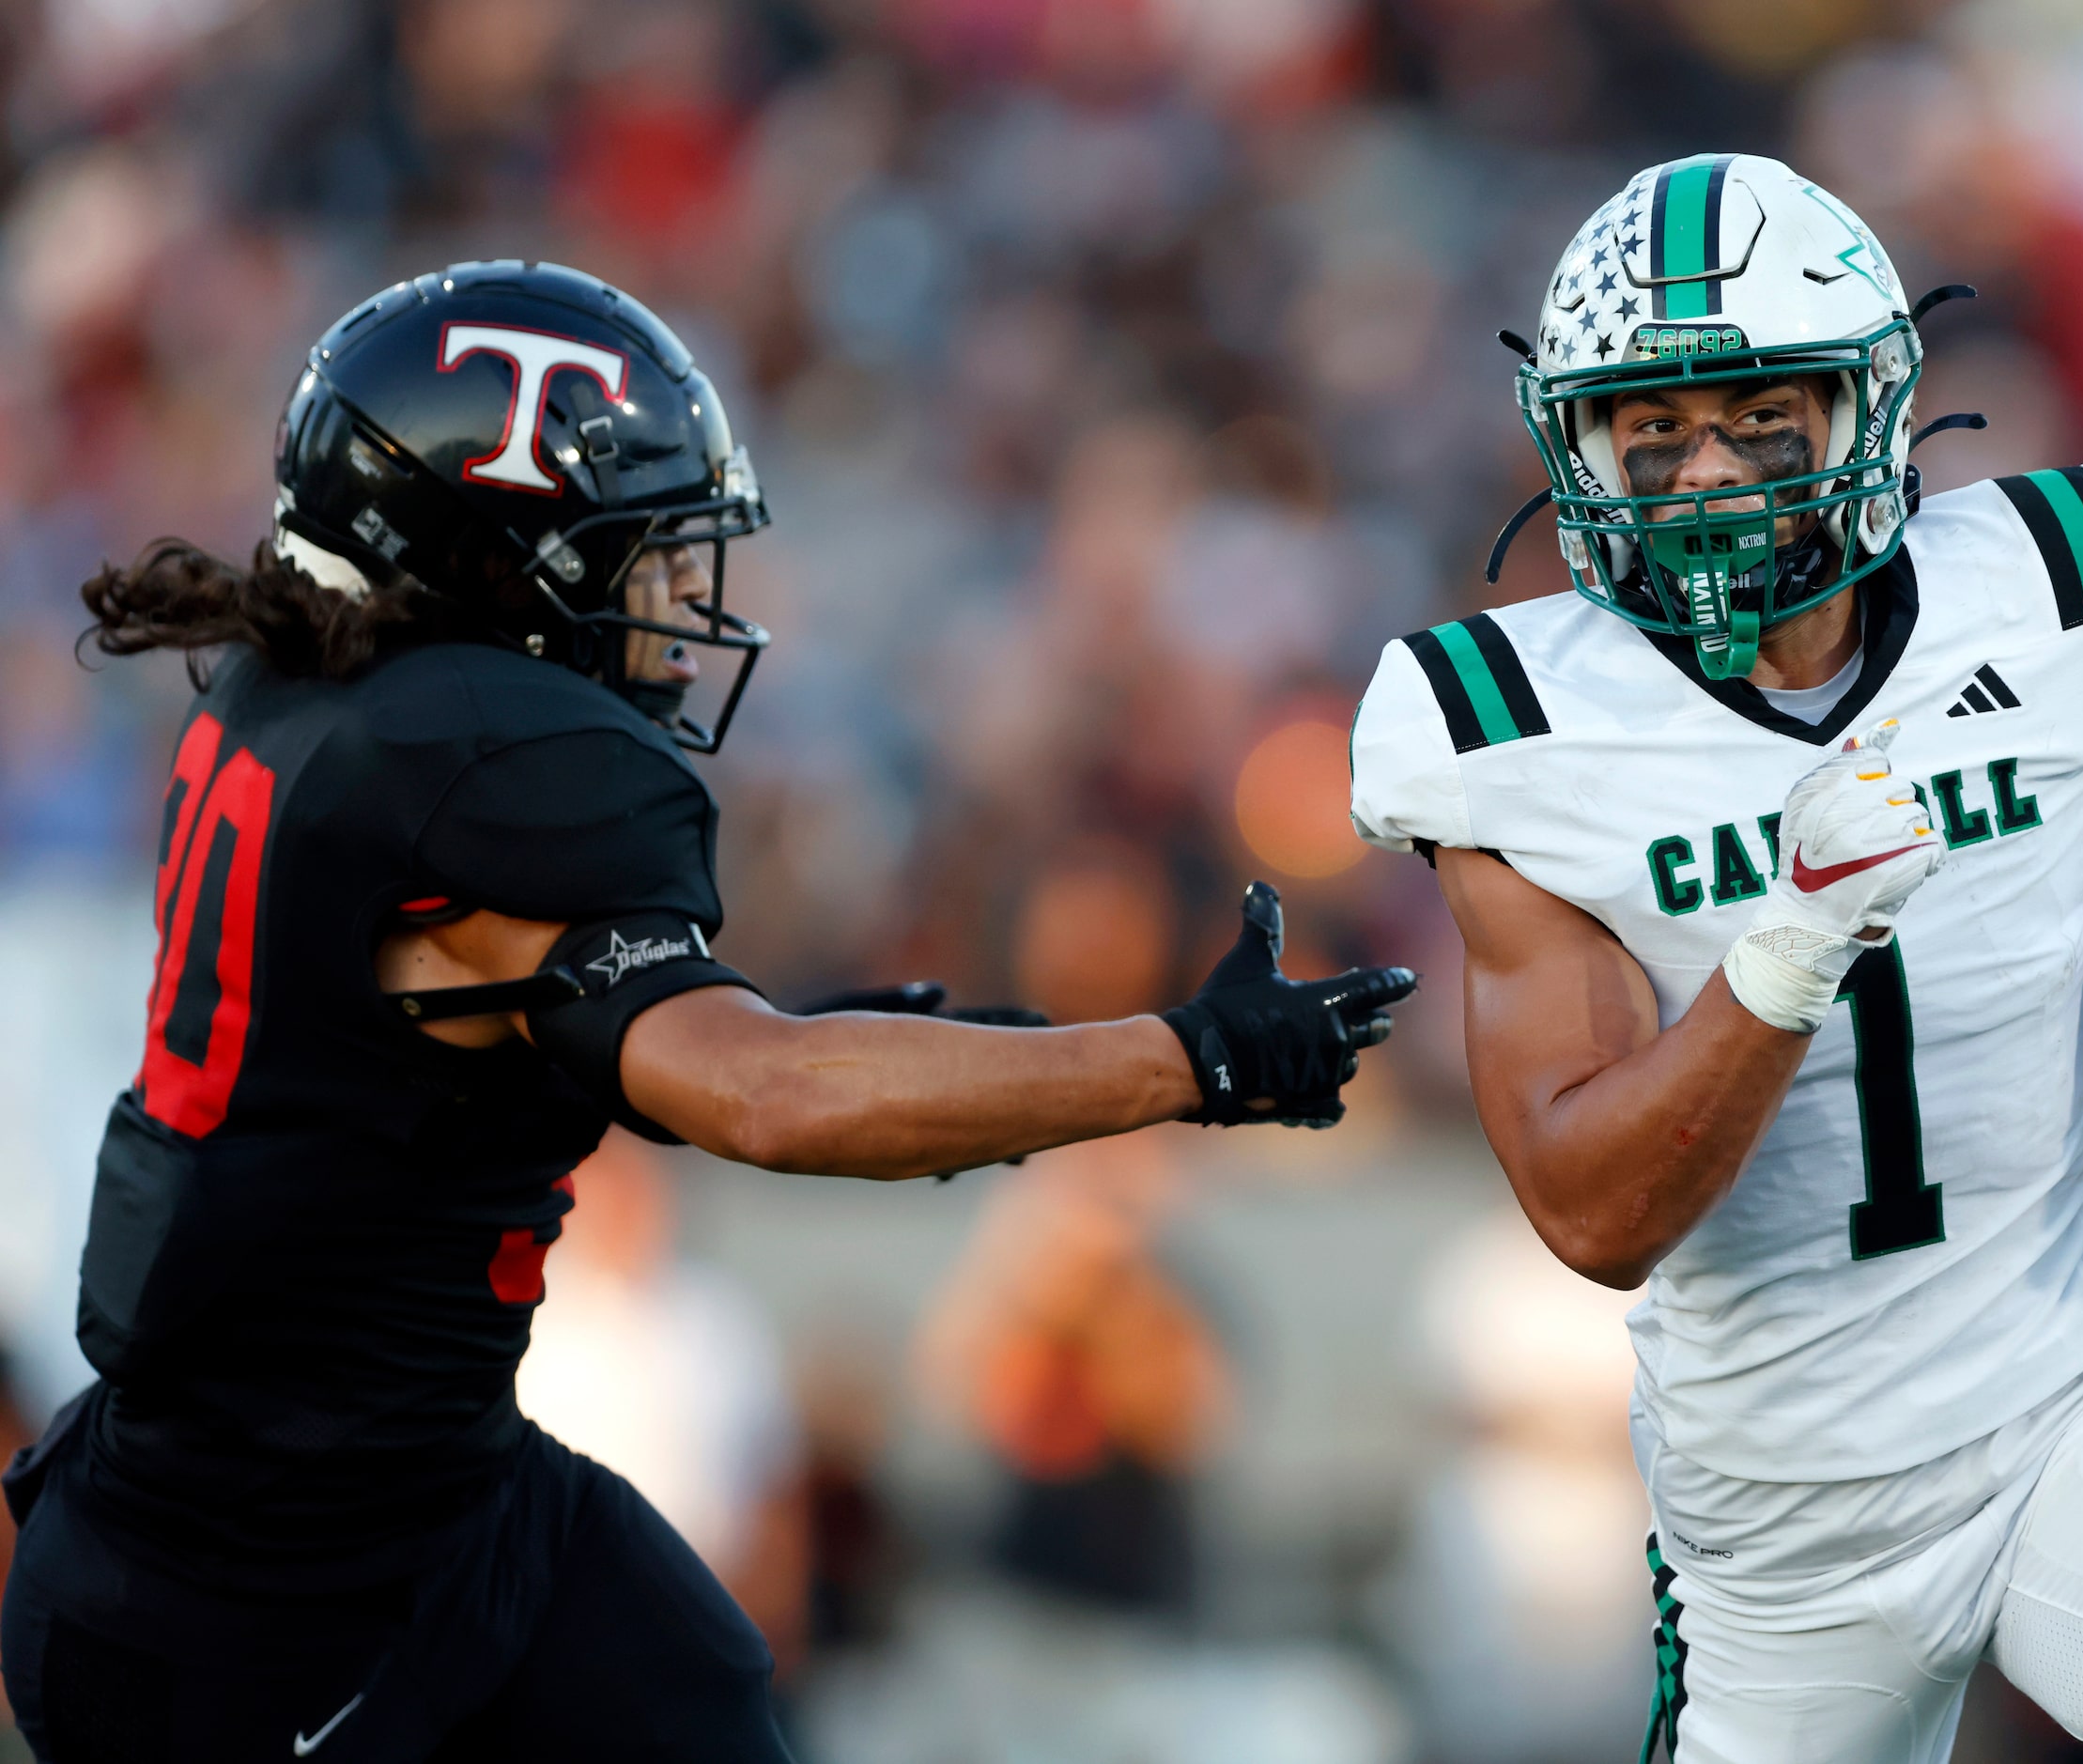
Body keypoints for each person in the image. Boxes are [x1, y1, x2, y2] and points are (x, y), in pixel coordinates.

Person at [0, 260, 1414, 1764]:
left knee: (700, 1694)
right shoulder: (475, 770)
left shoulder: (317, 705)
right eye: (640, 555)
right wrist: (1188, 1059)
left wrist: (921, 1052)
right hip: (262, 1577)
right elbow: (768, 1094)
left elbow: (557, 1048)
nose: (681, 603)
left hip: (406, 1491)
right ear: (499, 557)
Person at [1349, 155, 2083, 1764]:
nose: (1706, 471)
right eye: (1650, 430)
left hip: (2073, 1395)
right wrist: (1790, 945)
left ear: (1866, 409)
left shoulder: (2050, 590)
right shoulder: (1514, 727)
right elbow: (1594, 1210)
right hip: (1782, 1524)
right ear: (1575, 445)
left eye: (1755, 417)